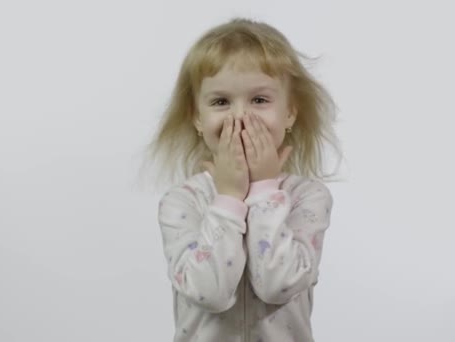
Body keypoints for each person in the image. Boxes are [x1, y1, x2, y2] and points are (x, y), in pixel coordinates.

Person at [145, 17, 343, 342]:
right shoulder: (183, 202)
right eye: (221, 102)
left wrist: (265, 190)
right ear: (197, 117)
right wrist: (228, 199)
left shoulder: (308, 198)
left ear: (290, 112)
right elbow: (211, 293)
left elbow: (277, 286)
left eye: (260, 100)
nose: (240, 116)